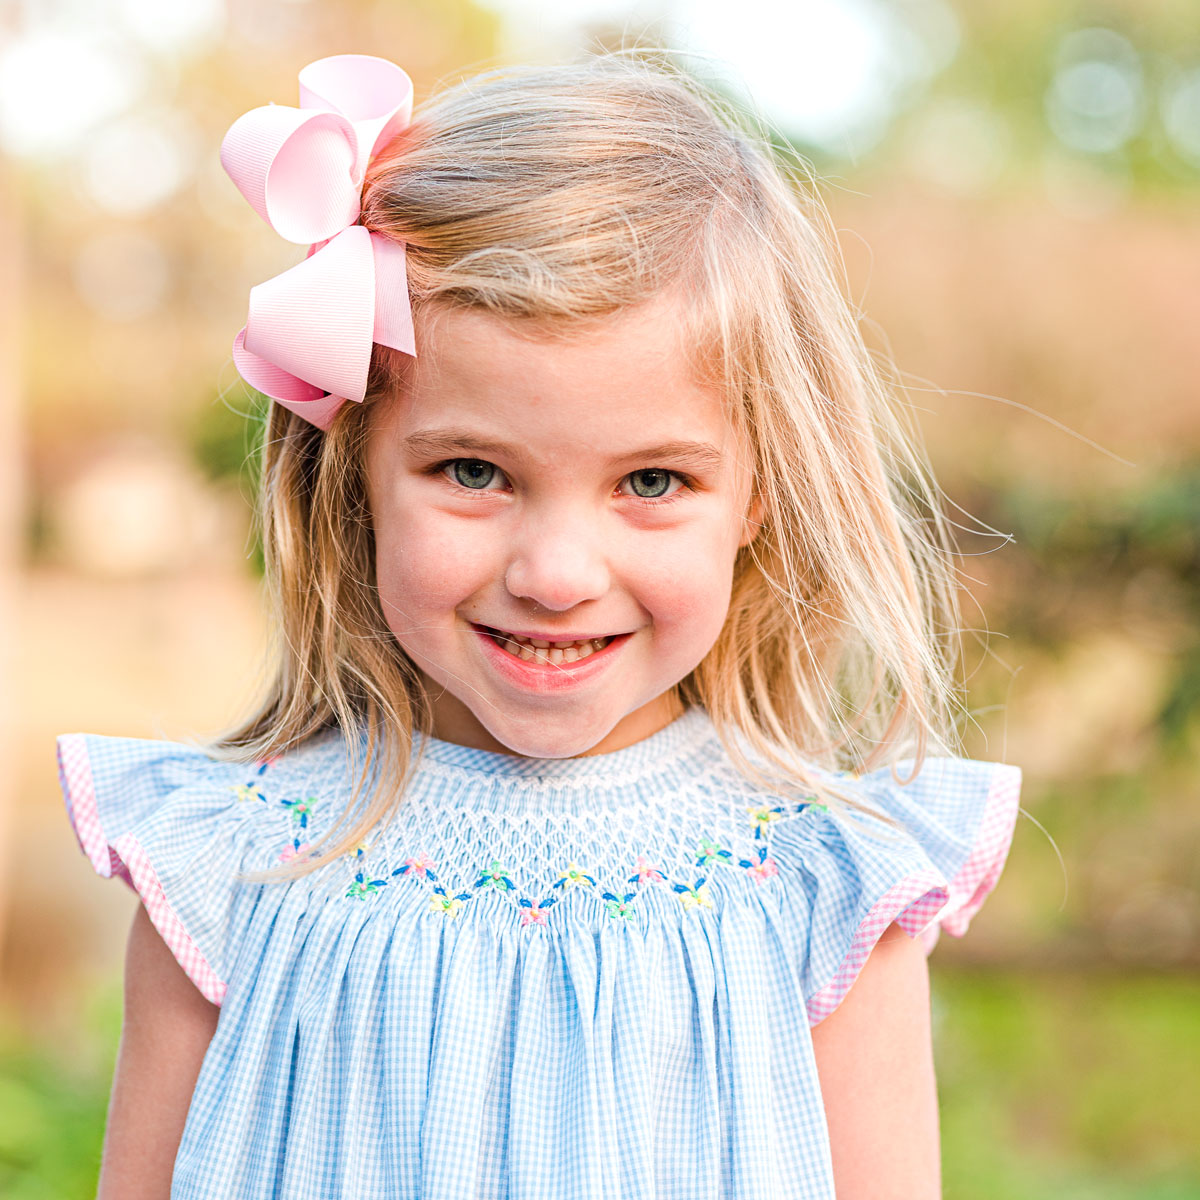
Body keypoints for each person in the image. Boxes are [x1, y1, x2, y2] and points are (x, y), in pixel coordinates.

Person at [55, 50, 1023, 1200]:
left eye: (653, 481)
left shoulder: (825, 890)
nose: (557, 575)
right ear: (354, 471)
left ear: (761, 490)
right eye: (475, 471)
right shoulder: (229, 870)